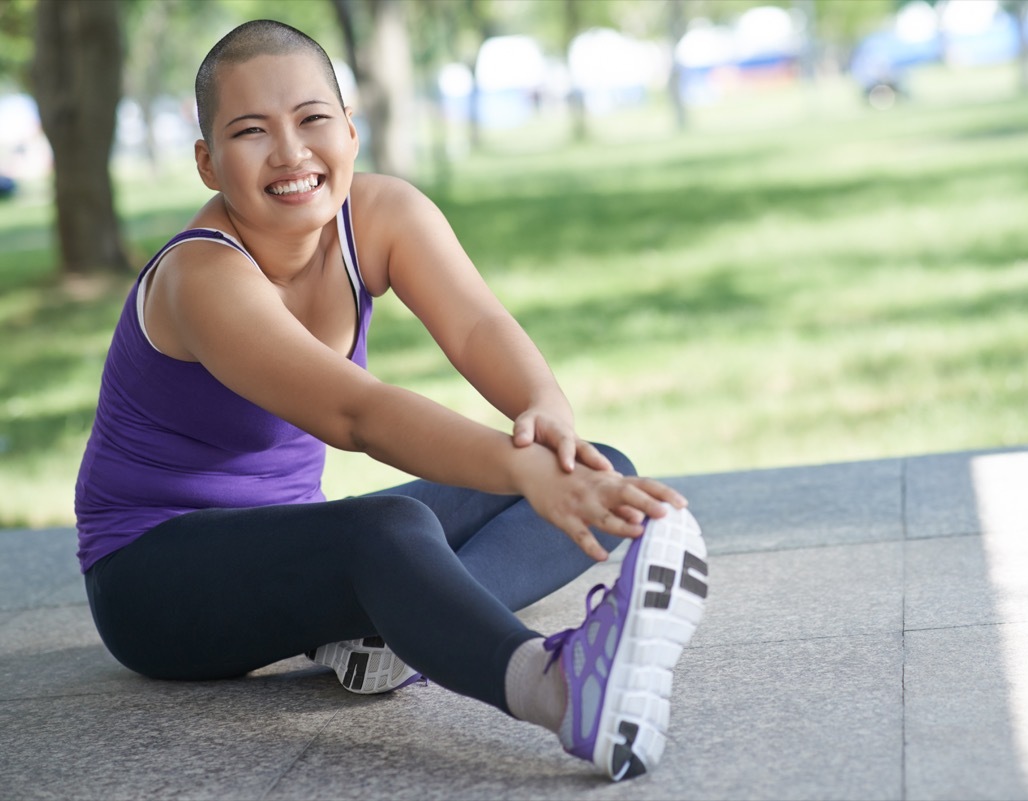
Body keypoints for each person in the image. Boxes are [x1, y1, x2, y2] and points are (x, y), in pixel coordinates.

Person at [74, 19, 708, 782]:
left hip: (287, 544)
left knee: (599, 465)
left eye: (312, 119)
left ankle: (400, 633)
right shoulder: (201, 279)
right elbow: (356, 414)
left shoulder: (380, 214)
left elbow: (477, 326)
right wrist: (527, 473)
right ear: (208, 162)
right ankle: (562, 689)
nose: (290, 152)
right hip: (153, 582)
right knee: (391, 526)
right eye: (251, 132)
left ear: (350, 128)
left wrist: (548, 422)